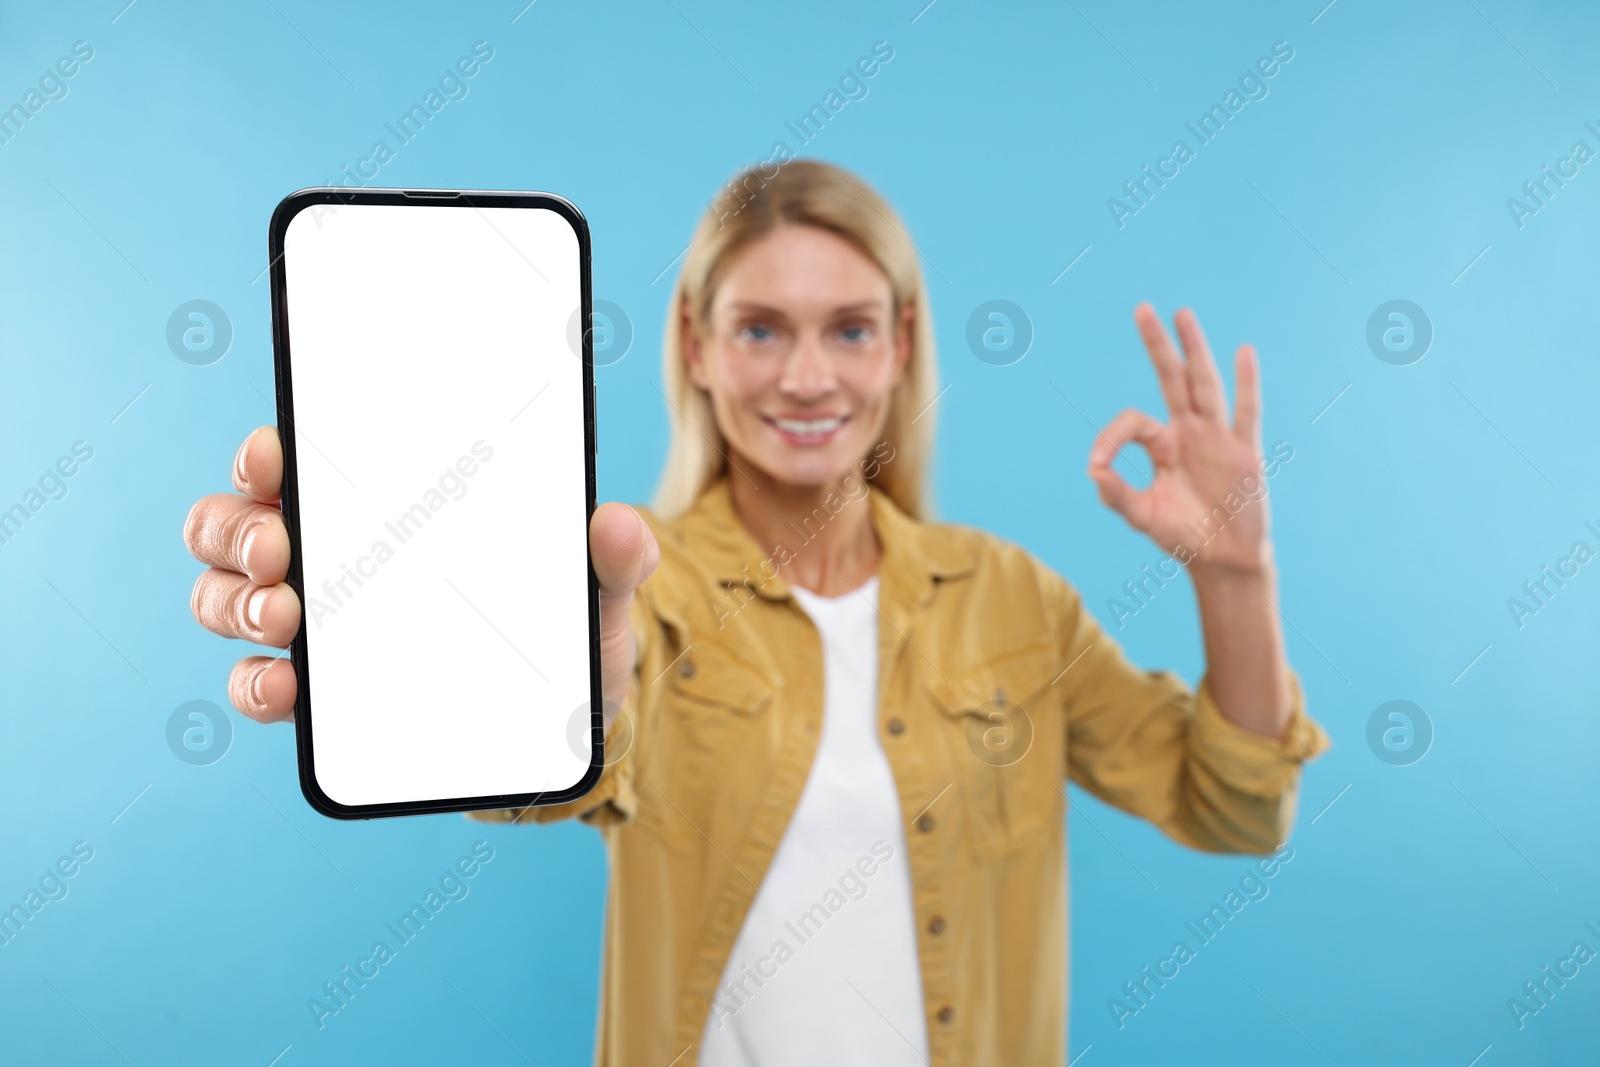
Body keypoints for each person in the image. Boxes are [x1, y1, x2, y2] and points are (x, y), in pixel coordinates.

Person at [183, 159, 1330, 1065]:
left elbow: (1234, 806)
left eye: (849, 327)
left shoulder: (1009, 598)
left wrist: (1235, 576)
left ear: (903, 346)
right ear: (694, 344)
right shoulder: (639, 582)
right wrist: (522, 661)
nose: (805, 376)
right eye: (759, 327)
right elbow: (577, 763)